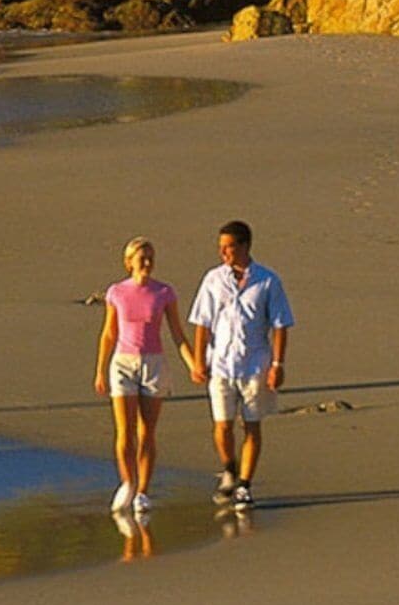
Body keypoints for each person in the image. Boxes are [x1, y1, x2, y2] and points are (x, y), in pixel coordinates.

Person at [187, 220, 293, 510]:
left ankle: (245, 484)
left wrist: (277, 364)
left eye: (229, 247)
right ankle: (229, 469)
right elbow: (202, 322)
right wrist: (198, 360)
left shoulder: (268, 280)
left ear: (245, 246)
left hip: (255, 363)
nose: (223, 253)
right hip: (221, 363)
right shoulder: (213, 279)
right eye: (221, 247)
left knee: (252, 425)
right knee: (222, 425)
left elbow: (281, 324)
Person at [95, 238, 183, 517]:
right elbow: (109, 333)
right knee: (125, 431)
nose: (146, 262)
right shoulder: (117, 292)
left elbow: (177, 332)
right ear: (129, 261)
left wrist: (193, 362)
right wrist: (100, 369)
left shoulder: (164, 292)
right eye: (141, 257)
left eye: (150, 257)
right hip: (123, 362)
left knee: (147, 431)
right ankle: (128, 482)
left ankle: (143, 491)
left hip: (153, 364)